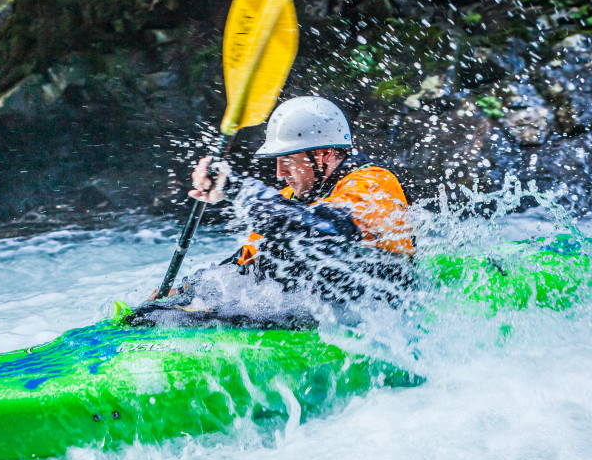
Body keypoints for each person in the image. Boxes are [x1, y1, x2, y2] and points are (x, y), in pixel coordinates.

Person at [157, 96, 415, 304]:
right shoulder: (293, 197)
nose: (280, 173)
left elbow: (325, 232)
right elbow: (246, 262)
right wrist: (187, 291)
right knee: (268, 253)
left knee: (285, 243)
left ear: (324, 154)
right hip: (328, 299)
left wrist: (234, 187)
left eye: (288, 159)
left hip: (383, 300)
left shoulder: (374, 183)